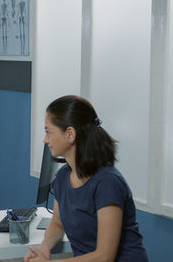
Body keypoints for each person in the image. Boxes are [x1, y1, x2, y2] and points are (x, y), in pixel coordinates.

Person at [24, 95, 148, 262]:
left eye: (48, 132)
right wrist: (44, 248)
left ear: (70, 134)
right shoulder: (62, 177)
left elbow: (104, 257)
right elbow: (57, 223)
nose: (45, 139)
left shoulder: (107, 183)